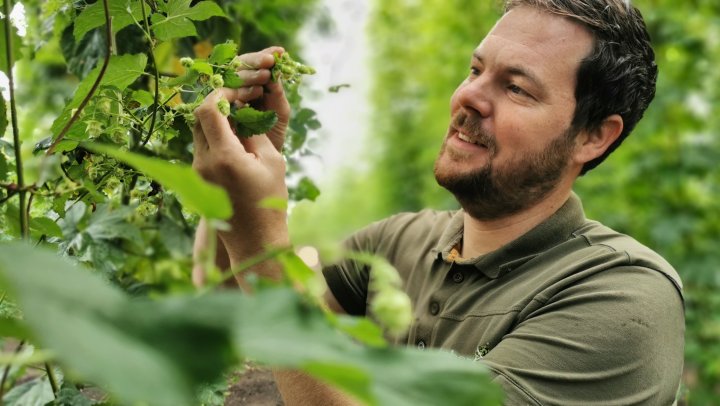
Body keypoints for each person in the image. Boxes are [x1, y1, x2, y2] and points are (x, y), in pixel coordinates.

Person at [191, 0, 685, 404]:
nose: (469, 97)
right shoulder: (399, 242)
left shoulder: (623, 299)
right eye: (475, 69)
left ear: (593, 137)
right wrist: (231, 191)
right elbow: (233, 323)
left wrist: (267, 246)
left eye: (516, 87)